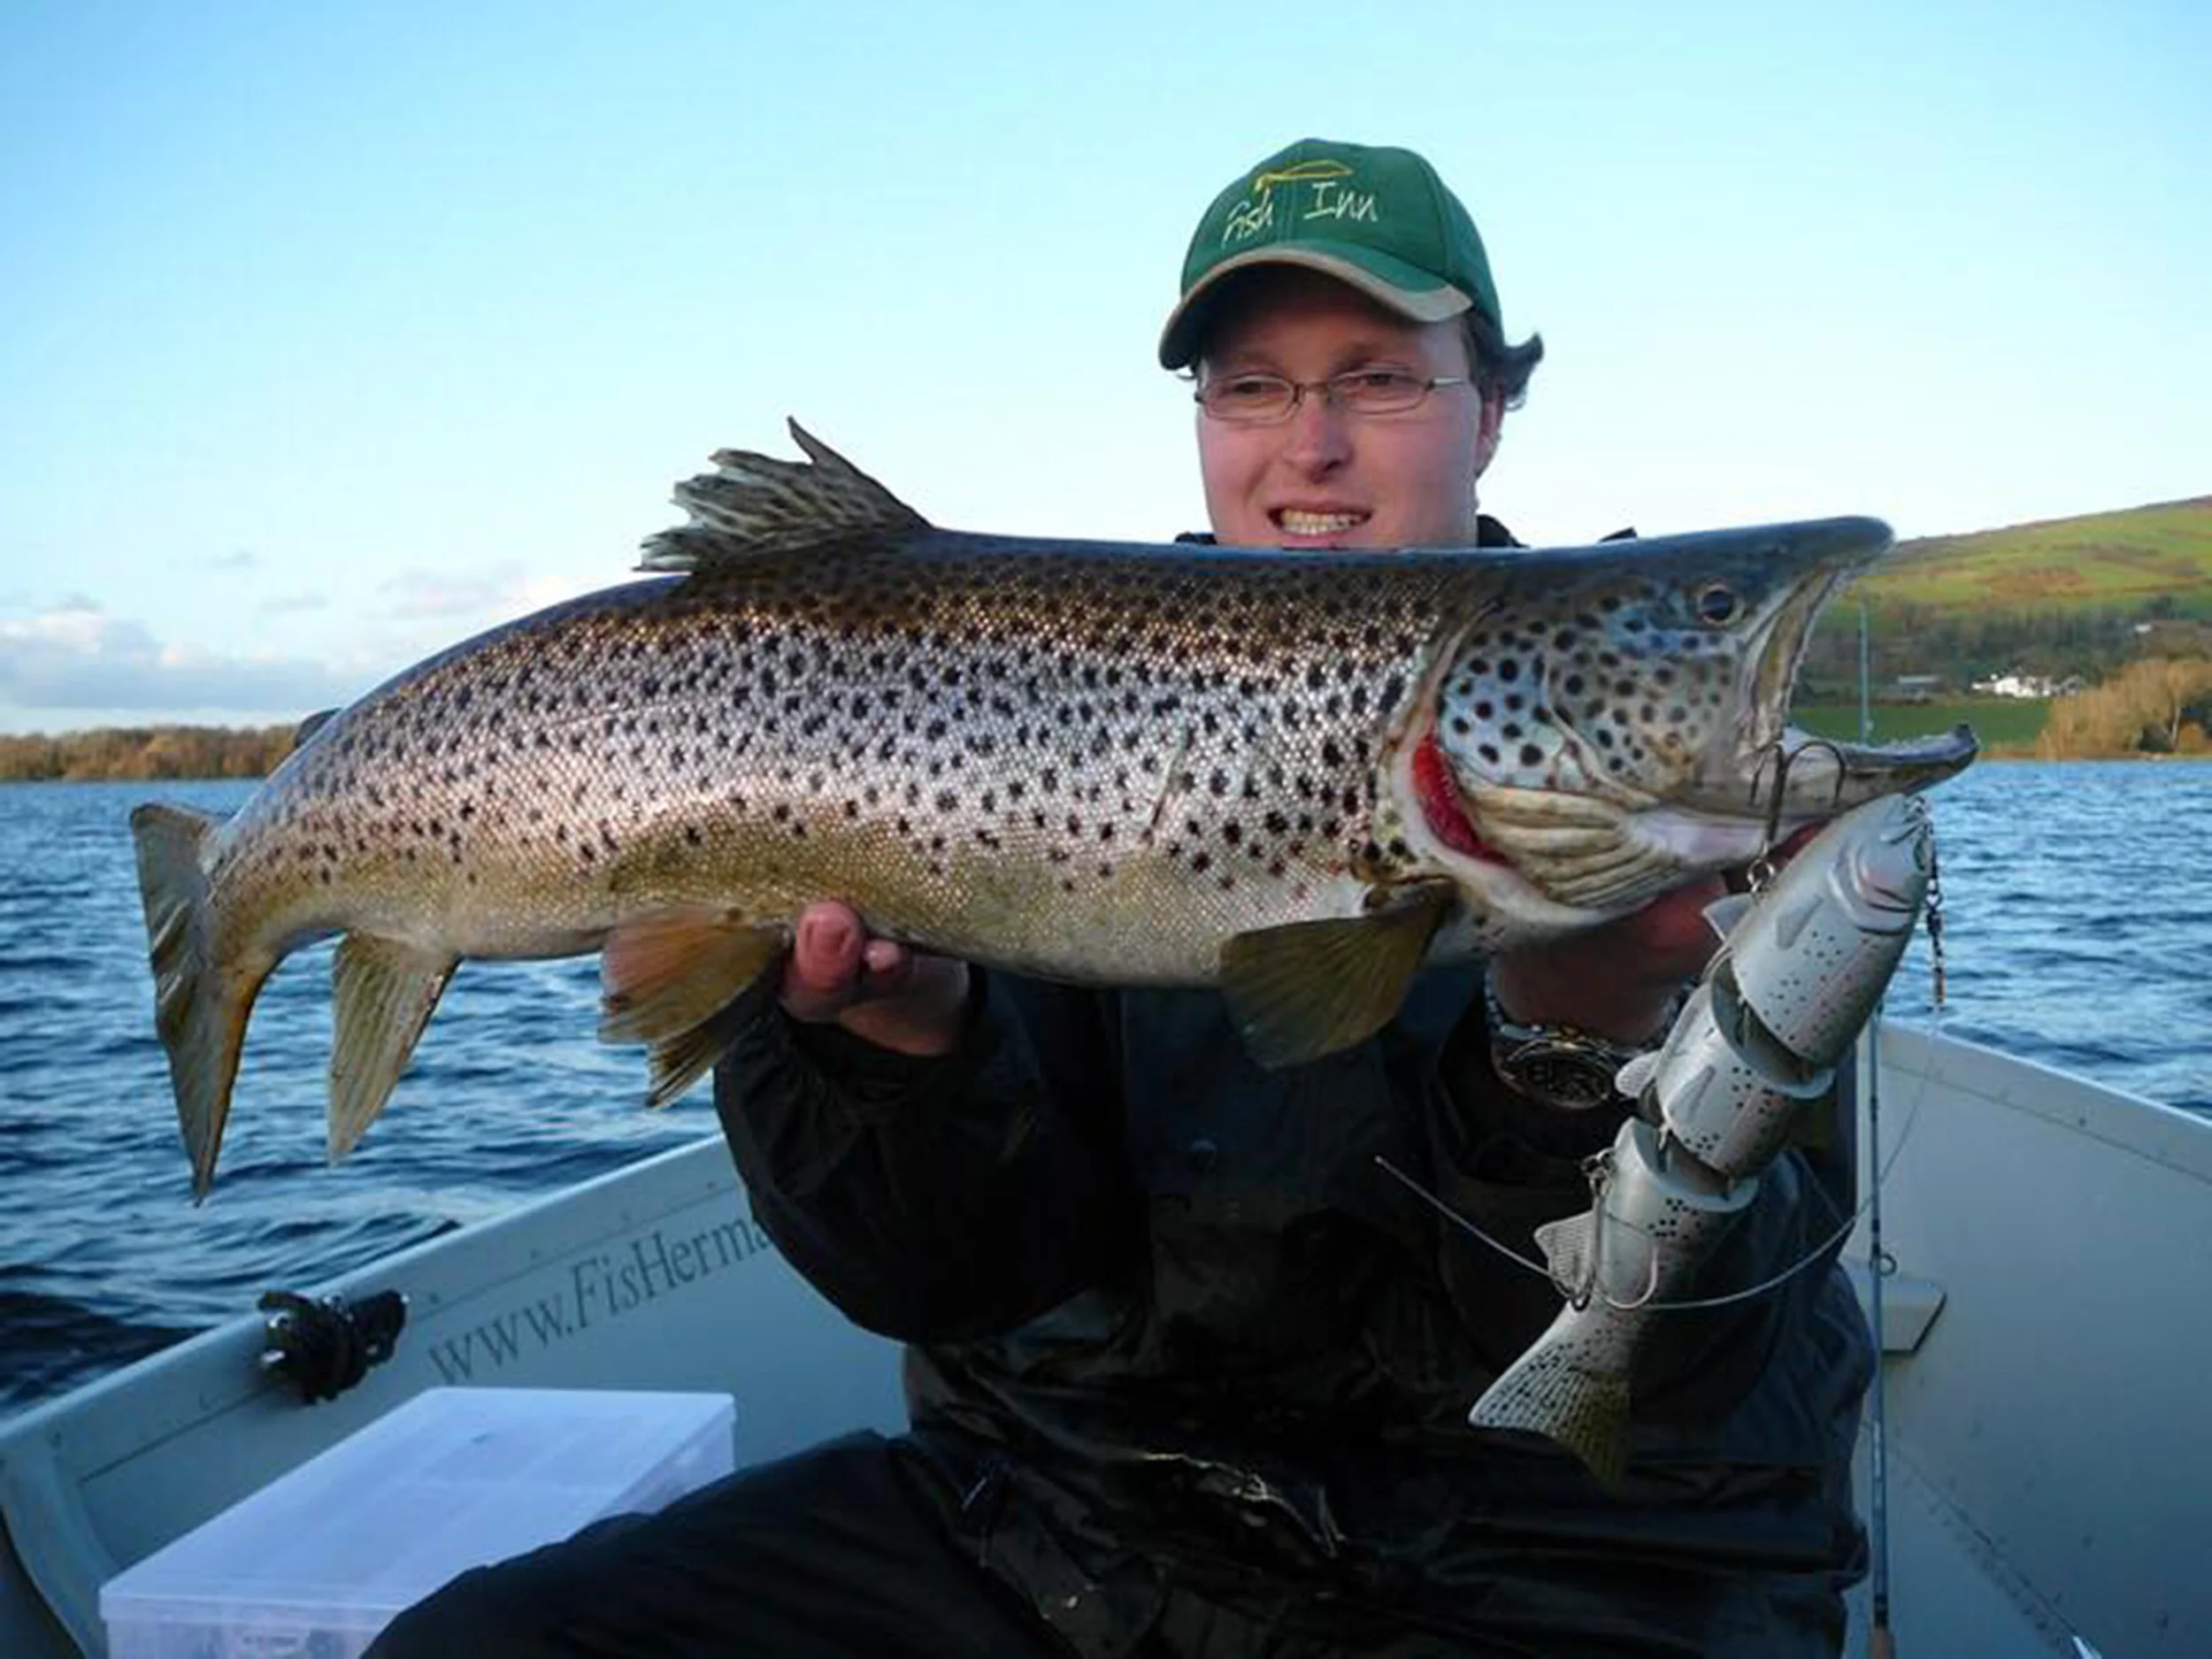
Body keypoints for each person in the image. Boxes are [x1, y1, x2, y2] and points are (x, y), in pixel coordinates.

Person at [373, 137, 1871, 1658]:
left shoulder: (1677, 785)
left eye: (1379, 378)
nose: (1312, 444)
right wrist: (905, 1052)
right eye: (1253, 385)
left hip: (1554, 1567)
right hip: (1061, 1523)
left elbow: (1669, 1373)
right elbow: (940, 1282)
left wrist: (1578, 1041)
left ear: (1492, 406)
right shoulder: (1035, 685)